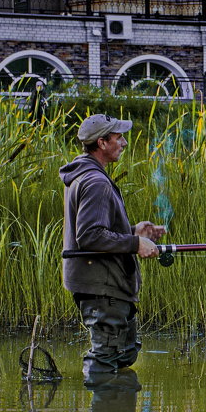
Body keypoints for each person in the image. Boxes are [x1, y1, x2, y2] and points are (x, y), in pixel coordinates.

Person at [61, 114, 165, 378]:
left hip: (107, 284)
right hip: (102, 285)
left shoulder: (87, 175)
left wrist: (134, 232)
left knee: (126, 351)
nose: (125, 143)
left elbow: (97, 231)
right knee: (105, 358)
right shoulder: (96, 182)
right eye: (119, 137)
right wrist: (134, 243)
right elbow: (90, 236)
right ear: (102, 142)